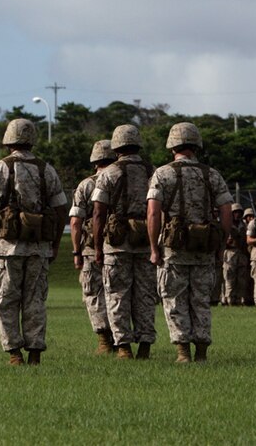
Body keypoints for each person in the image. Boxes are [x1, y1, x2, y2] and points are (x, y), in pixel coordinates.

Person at [0, 118, 68, 365]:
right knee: (35, 301)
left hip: (9, 248)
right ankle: (34, 352)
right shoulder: (46, 169)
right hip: (39, 248)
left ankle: (14, 353)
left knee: (7, 300)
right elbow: (61, 208)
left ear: (8, 140)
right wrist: (52, 244)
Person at [146, 122, 233, 363]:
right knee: (201, 300)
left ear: (172, 145)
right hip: (204, 247)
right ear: (196, 145)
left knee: (174, 300)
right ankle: (202, 351)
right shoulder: (211, 174)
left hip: (174, 249)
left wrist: (154, 248)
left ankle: (183, 351)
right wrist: (221, 243)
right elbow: (226, 211)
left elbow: (153, 213)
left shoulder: (162, 174)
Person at [91, 125, 158, 359]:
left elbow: (98, 213)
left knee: (117, 295)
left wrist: (97, 248)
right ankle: (145, 346)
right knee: (145, 296)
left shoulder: (108, 173)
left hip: (117, 244)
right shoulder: (153, 171)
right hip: (146, 243)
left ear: (116, 146)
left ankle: (123, 347)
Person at [69, 140, 115, 354]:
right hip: (121, 246)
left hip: (90, 249)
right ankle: (123, 339)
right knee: (119, 292)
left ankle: (104, 342)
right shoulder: (121, 179)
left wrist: (76, 251)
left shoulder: (86, 185)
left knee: (94, 293)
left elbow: (76, 222)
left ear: (94, 160)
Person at [222, 204, 250, 306]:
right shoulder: (227, 225)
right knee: (229, 279)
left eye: (239, 212)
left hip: (241, 253)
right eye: (235, 212)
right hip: (230, 253)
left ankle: (239, 299)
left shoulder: (244, 226)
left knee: (241, 279)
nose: (237, 214)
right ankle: (229, 299)